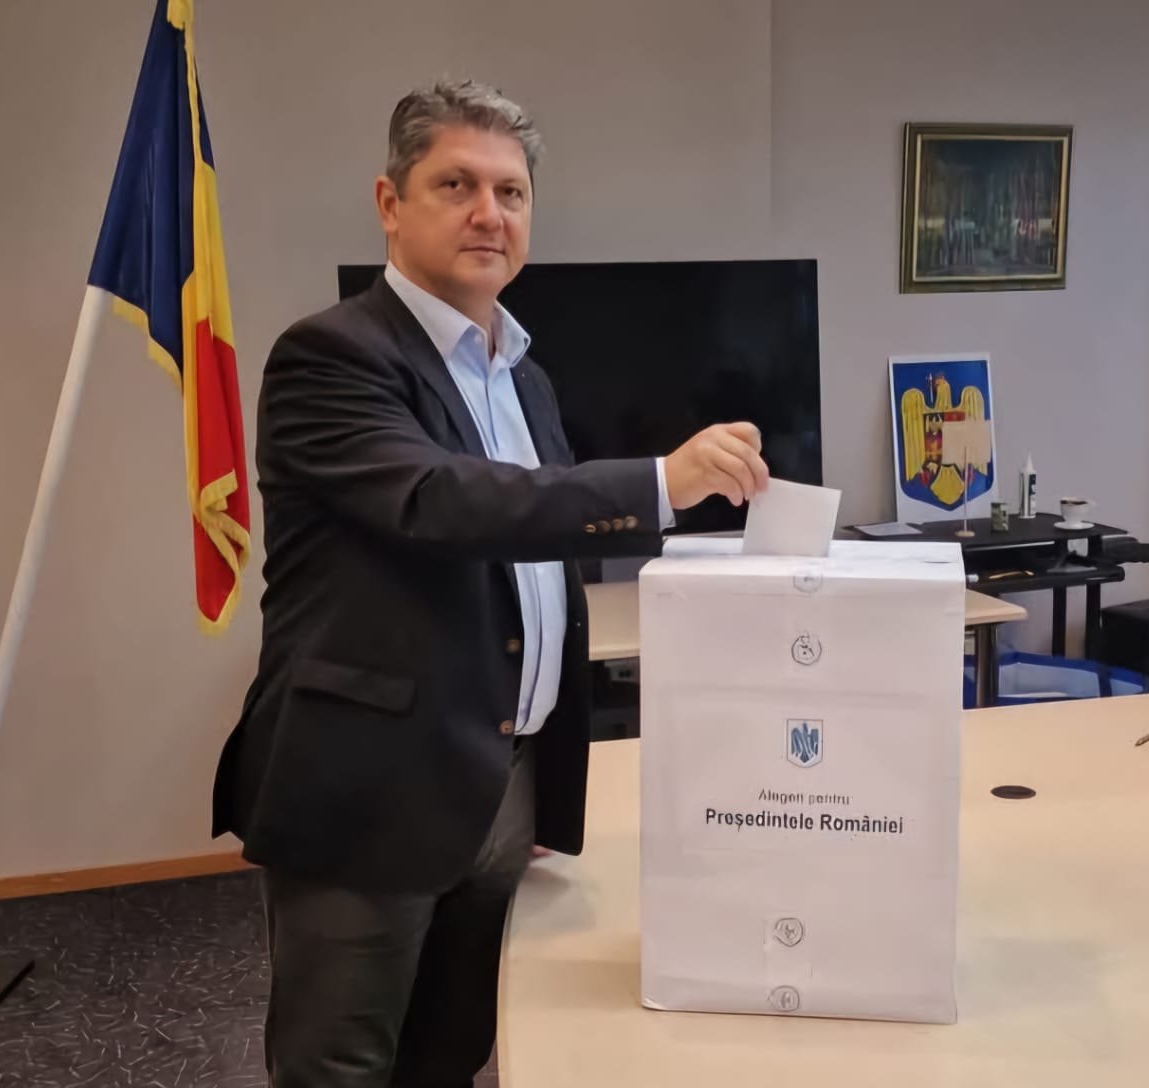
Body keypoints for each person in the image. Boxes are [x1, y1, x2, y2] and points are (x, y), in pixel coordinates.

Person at [211, 80, 770, 1087]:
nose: (488, 213)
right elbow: (444, 501)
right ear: (390, 203)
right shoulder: (330, 357)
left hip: (499, 781)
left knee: (453, 1050)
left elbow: (539, 559)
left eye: (510, 192)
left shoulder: (522, 373)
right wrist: (659, 482)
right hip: (370, 789)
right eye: (456, 184)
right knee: (340, 1062)